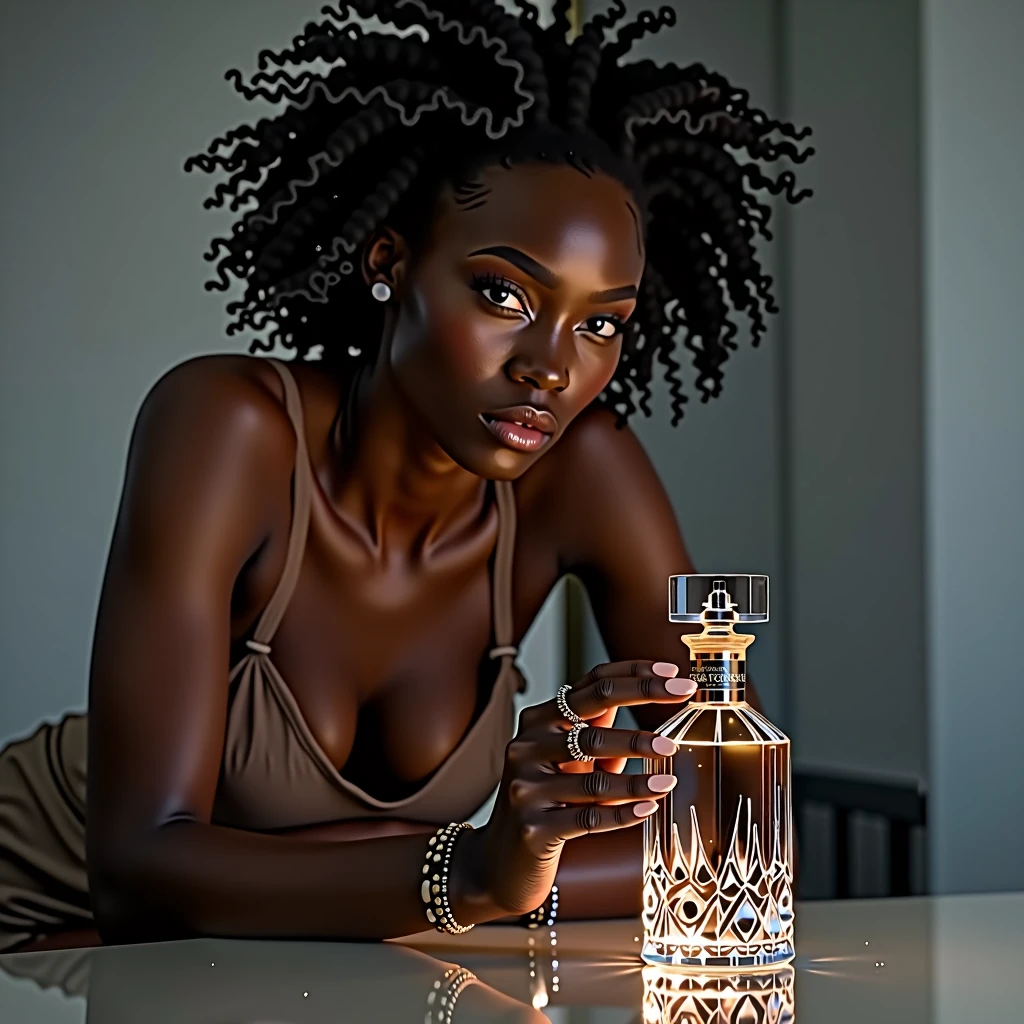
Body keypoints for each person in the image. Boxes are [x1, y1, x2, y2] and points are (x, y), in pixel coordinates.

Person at [0, 0, 811, 952]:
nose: (552, 367)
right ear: (390, 261)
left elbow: (731, 837)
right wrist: (463, 865)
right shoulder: (229, 428)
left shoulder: (582, 472)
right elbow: (139, 876)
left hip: (279, 966)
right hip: (46, 927)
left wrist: (499, 874)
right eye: (505, 294)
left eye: (601, 323)